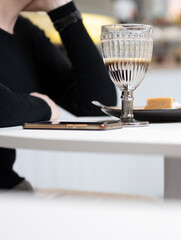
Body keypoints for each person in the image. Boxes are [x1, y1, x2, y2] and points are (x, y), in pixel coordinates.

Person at [0, 0, 117, 191]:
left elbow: (98, 104)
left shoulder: (24, 32)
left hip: (10, 189)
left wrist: (63, 10)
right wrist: (43, 106)